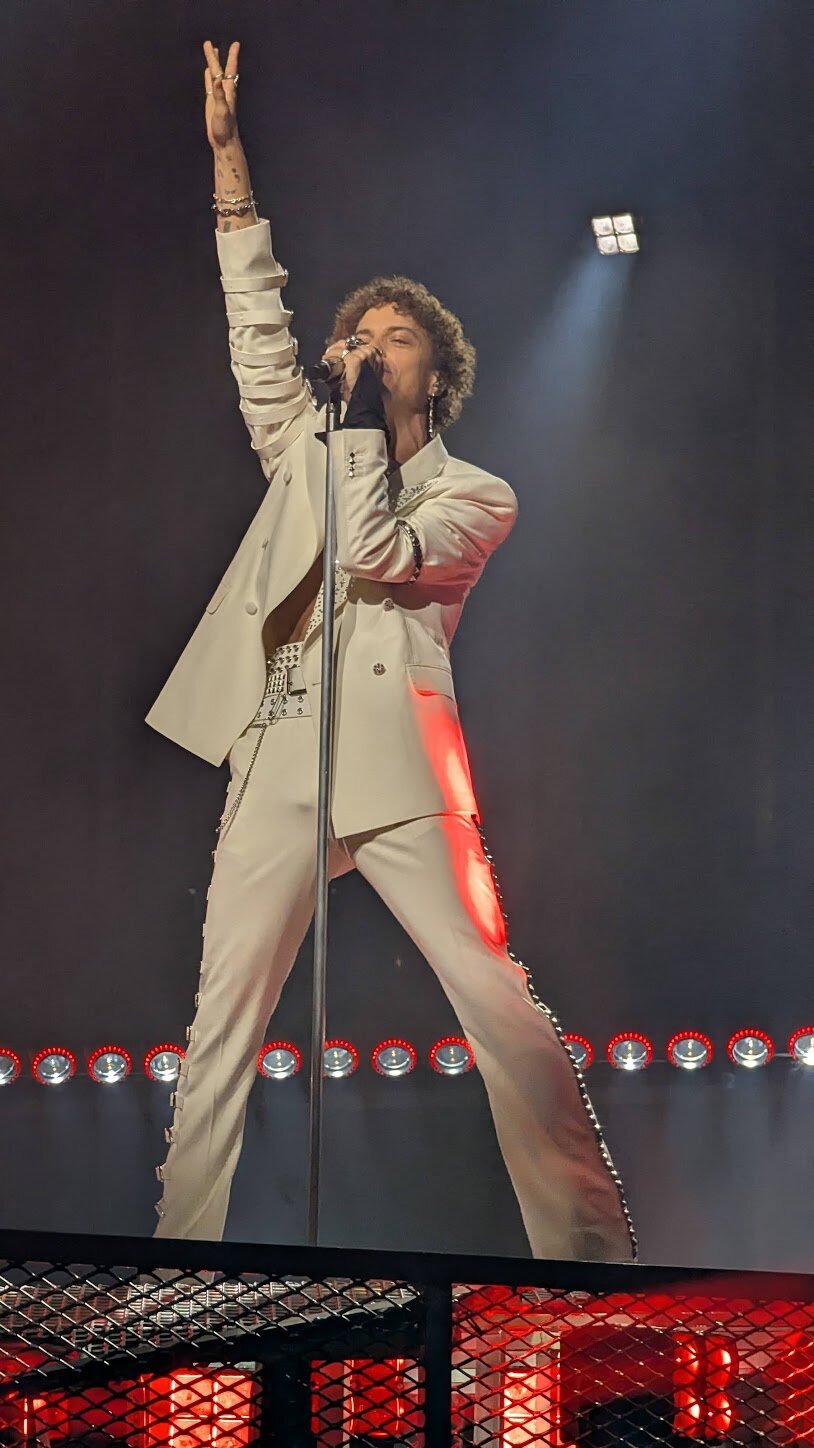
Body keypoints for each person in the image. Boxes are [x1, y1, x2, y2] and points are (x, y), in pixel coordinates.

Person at [144, 38, 638, 1263]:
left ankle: (590, 1255)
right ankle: (177, 1259)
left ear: (434, 374)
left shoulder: (477, 492)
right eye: (355, 333)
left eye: (393, 337)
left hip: (402, 769)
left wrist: (353, 430)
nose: (365, 345)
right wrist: (230, 172)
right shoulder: (308, 449)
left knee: (494, 997)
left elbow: (374, 551)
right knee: (219, 1022)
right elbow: (256, 333)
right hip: (280, 750)